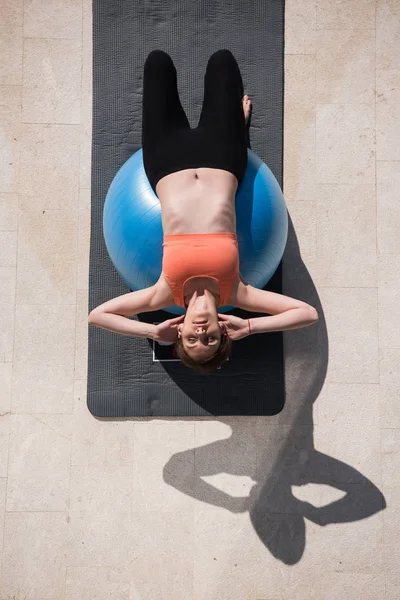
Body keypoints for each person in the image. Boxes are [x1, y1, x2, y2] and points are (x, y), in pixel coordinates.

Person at [89, 49, 318, 372]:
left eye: (191, 341)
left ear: (179, 332)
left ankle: (235, 126)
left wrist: (153, 331)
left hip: (165, 160)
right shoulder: (239, 292)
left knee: (157, 62)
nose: (200, 335)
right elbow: (307, 314)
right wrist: (251, 327)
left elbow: (97, 316)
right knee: (222, 61)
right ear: (222, 332)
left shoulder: (163, 293)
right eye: (210, 340)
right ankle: (240, 128)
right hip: (222, 155)